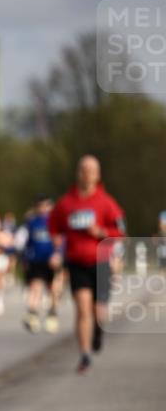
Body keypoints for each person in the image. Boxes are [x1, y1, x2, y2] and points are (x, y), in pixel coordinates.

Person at [49, 155, 126, 373]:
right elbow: (54, 225)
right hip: (77, 263)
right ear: (78, 172)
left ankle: (99, 331)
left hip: (101, 262)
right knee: (82, 309)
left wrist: (101, 232)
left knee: (98, 311)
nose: (87, 173)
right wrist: (56, 241)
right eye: (84, 169)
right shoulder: (66, 203)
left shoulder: (106, 202)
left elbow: (119, 232)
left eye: (92, 170)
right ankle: (84, 354)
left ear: (98, 174)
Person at [15, 196, 60, 334]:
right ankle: (32, 314)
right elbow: (26, 243)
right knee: (35, 287)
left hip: (51, 260)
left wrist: (58, 254)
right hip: (36, 260)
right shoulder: (31, 222)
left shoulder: (55, 222)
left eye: (45, 206)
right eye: (40, 206)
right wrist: (24, 260)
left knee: (52, 288)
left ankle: (52, 314)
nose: (43, 209)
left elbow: (61, 240)